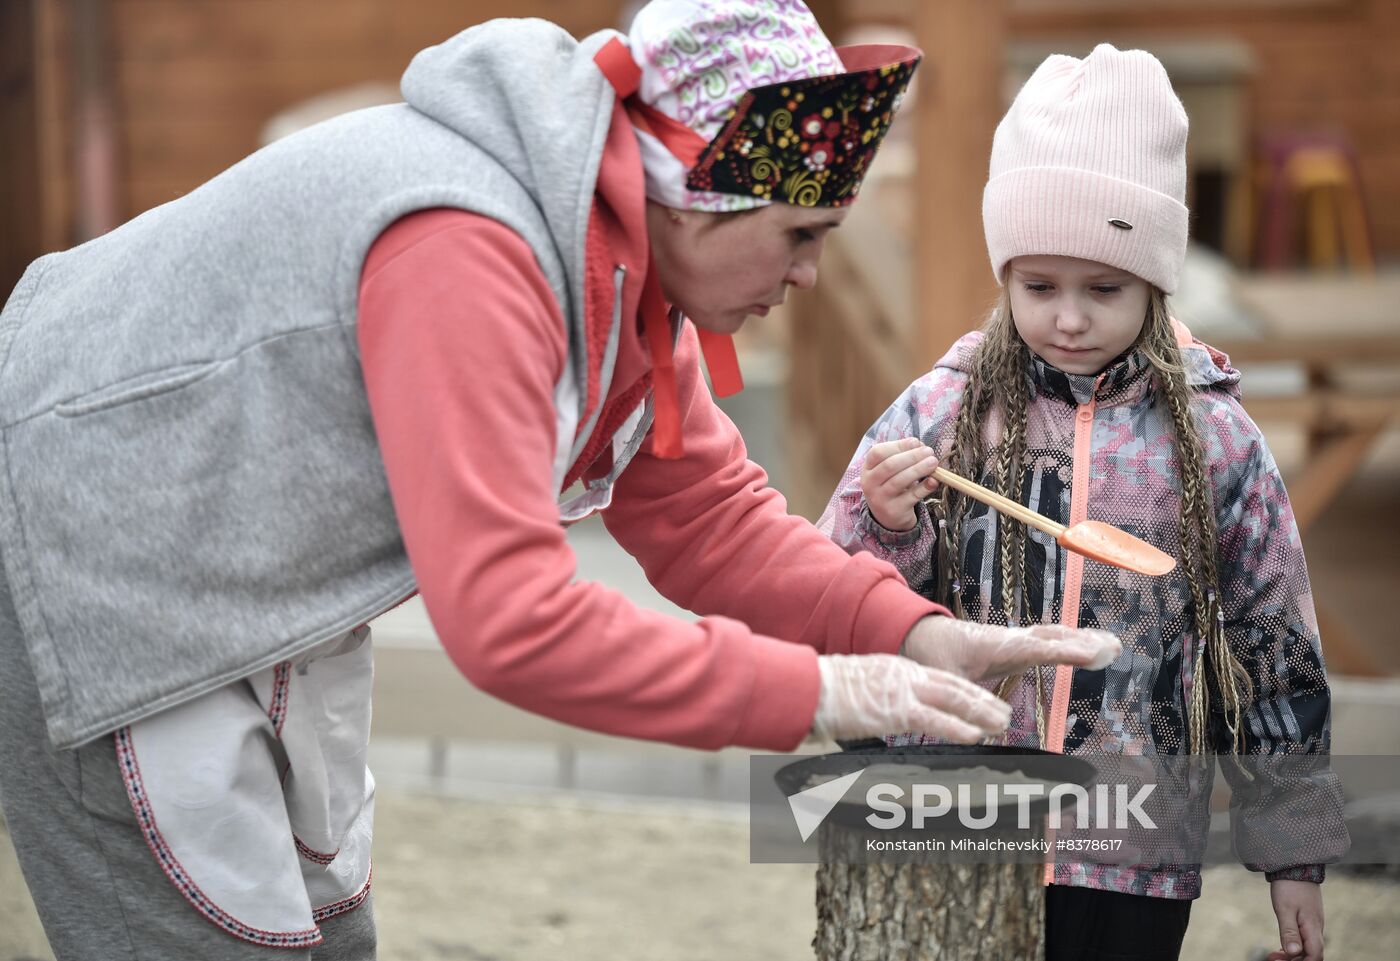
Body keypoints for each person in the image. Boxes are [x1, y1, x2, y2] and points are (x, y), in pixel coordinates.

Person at [0, 2, 1121, 957]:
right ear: (693, 195)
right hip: (99, 554)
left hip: (254, 570)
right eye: (797, 232)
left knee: (326, 924)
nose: (811, 274)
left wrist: (909, 633)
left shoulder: (623, 271)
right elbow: (509, 620)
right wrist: (817, 691)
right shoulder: (470, 248)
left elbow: (706, 521)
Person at [818, 44, 1342, 961]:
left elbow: (1272, 644)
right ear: (1004, 275)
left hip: (1133, 848)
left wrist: (1292, 852)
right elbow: (839, 593)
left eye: (1105, 288)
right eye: (1038, 286)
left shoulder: (1217, 442)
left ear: (1155, 279)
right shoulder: (944, 413)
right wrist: (887, 524)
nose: (1068, 317)